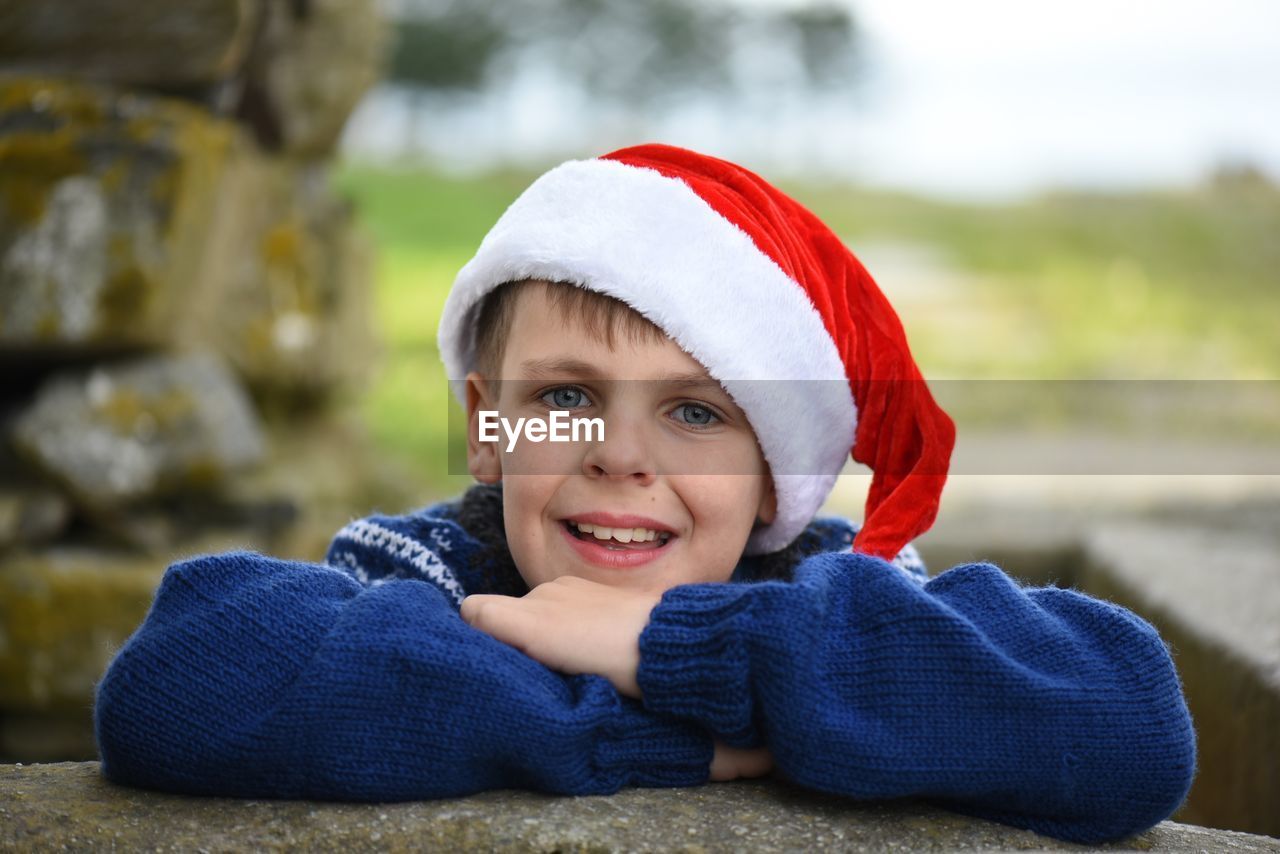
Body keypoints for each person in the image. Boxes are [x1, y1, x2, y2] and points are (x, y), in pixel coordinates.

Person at [94, 143, 1196, 845]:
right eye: (566, 393)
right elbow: (173, 684)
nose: (621, 455)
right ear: (487, 427)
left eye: (696, 412)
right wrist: (658, 737)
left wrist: (679, 641)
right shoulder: (428, 572)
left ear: (776, 468)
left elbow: (1129, 721)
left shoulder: (839, 585)